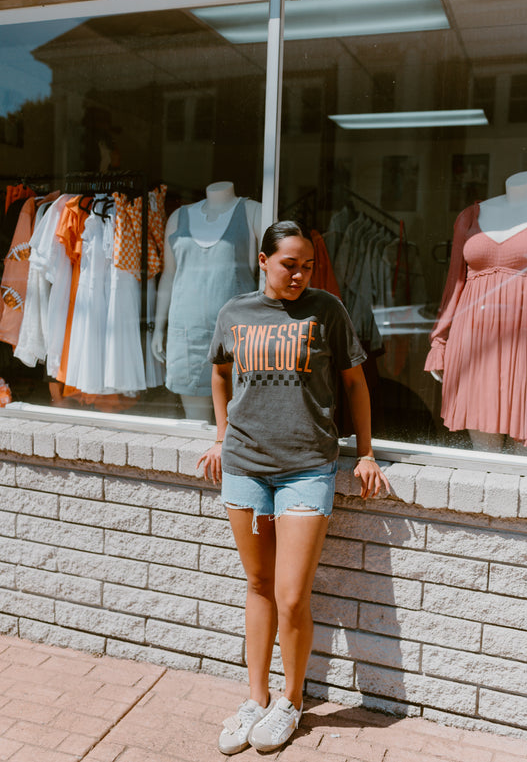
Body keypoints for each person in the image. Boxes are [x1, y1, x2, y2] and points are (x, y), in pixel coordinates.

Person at [197, 220, 390, 755]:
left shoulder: (326, 310)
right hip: (245, 465)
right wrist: (220, 435)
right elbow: (217, 371)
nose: (300, 273)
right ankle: (254, 700)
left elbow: (355, 382)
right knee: (258, 585)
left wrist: (366, 452)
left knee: (291, 594)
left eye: (307, 264)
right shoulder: (235, 313)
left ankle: (290, 700)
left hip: (307, 467)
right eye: (289, 264)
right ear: (263, 261)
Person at [425, 171, 527, 451]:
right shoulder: (471, 217)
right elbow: (454, 282)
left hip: (526, 345)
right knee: (486, 454)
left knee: (526, 457)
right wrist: (440, 339)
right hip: (474, 343)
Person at [152, 181, 261, 421]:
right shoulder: (179, 218)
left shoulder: (252, 212)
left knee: (234, 421)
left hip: (236, 338)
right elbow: (169, 276)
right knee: (195, 422)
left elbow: (269, 274)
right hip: (187, 336)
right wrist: (159, 328)